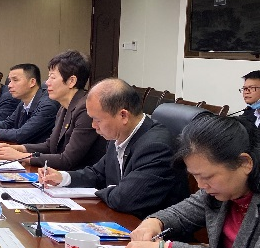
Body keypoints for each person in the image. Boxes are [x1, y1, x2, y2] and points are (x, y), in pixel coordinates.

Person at [123, 115, 260, 248]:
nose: (201, 185)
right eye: (195, 176)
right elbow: (180, 214)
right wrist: (154, 222)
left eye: (207, 177)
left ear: (245, 163)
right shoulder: (221, 191)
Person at [39, 78, 189, 218]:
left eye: (97, 120)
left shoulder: (156, 147)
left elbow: (125, 199)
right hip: (121, 219)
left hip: (148, 228)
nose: (93, 125)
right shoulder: (119, 134)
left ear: (123, 116)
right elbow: (98, 173)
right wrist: (63, 177)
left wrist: (98, 192)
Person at [0, 50, 105, 170]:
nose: (47, 82)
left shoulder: (86, 109)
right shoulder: (64, 106)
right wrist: (18, 148)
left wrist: (20, 156)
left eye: (52, 77)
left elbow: (67, 160)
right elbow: (50, 145)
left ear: (71, 81)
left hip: (78, 177)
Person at [0, 63, 57, 144]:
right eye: (10, 81)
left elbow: (21, 135)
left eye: (15, 80)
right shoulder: (23, 102)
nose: (9, 85)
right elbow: (8, 123)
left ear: (32, 82)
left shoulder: (47, 106)